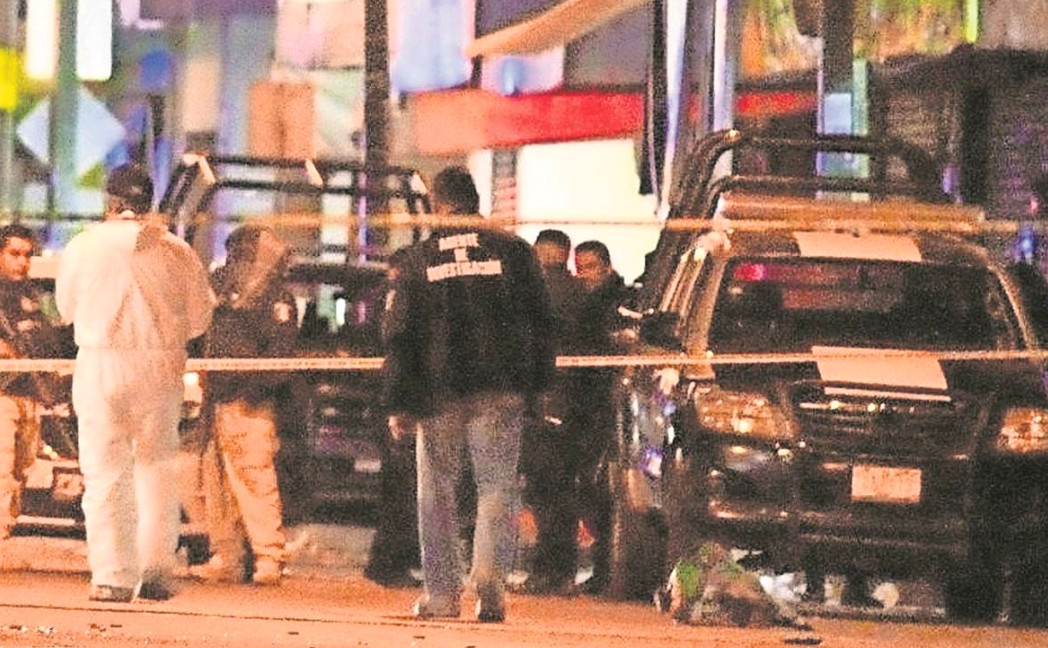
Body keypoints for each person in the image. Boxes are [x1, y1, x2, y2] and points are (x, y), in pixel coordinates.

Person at [383, 166, 555, 623]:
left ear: (438, 205)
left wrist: (399, 401)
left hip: (438, 390)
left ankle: (441, 595)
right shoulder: (513, 251)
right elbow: (541, 323)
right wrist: (539, 387)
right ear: (476, 201)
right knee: (497, 485)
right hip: (501, 386)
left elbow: (400, 333)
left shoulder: (420, 259)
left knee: (436, 491)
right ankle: (490, 583)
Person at [55, 163, 215, 603]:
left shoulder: (84, 246)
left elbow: (66, 309)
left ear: (110, 202)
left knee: (104, 471)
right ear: (149, 202)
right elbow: (200, 318)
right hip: (160, 366)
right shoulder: (177, 251)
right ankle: (155, 568)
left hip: (101, 361)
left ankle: (112, 575)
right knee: (156, 466)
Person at [195, 224, 298, 586]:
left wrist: (252, 390)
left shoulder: (276, 298)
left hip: (250, 403)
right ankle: (227, 555)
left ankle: (268, 558)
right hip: (217, 398)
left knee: (255, 481)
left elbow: (280, 353)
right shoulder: (221, 289)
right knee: (217, 485)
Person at [561, 239, 635, 595]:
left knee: (605, 491)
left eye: (590, 267)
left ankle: (608, 568)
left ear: (606, 267)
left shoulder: (623, 302)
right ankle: (601, 568)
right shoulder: (580, 303)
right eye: (579, 268)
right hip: (585, 405)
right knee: (589, 489)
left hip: (609, 405)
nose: (583, 275)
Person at [517, 229, 585, 594]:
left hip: (545, 401)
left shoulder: (536, 292)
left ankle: (548, 571)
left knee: (546, 491)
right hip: (572, 404)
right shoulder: (578, 291)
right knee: (562, 489)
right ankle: (561, 570)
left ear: (540, 252)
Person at [0, 225, 73, 542]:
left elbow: (49, 339)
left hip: (29, 394)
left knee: (21, 471)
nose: (22, 262)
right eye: (14, 254)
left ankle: (6, 529)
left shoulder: (31, 295)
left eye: (27, 255)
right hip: (3, 395)